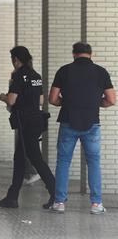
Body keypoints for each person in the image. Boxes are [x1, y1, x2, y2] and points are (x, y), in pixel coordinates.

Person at [49, 42, 116, 214]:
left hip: (68, 121)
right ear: (90, 54)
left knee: (63, 162)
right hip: (91, 123)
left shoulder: (64, 71)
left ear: (74, 54)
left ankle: (59, 202)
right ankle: (96, 204)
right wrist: (95, 103)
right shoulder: (101, 72)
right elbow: (111, 100)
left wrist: (67, 102)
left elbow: (52, 99)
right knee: (93, 162)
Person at [0, 46, 55, 209]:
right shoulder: (36, 76)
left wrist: (2, 97)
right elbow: (41, 101)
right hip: (35, 121)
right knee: (20, 159)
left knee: (35, 158)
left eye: (12, 59)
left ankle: (56, 193)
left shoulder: (19, 76)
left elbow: (12, 100)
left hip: (25, 123)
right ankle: (12, 197)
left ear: (16, 60)